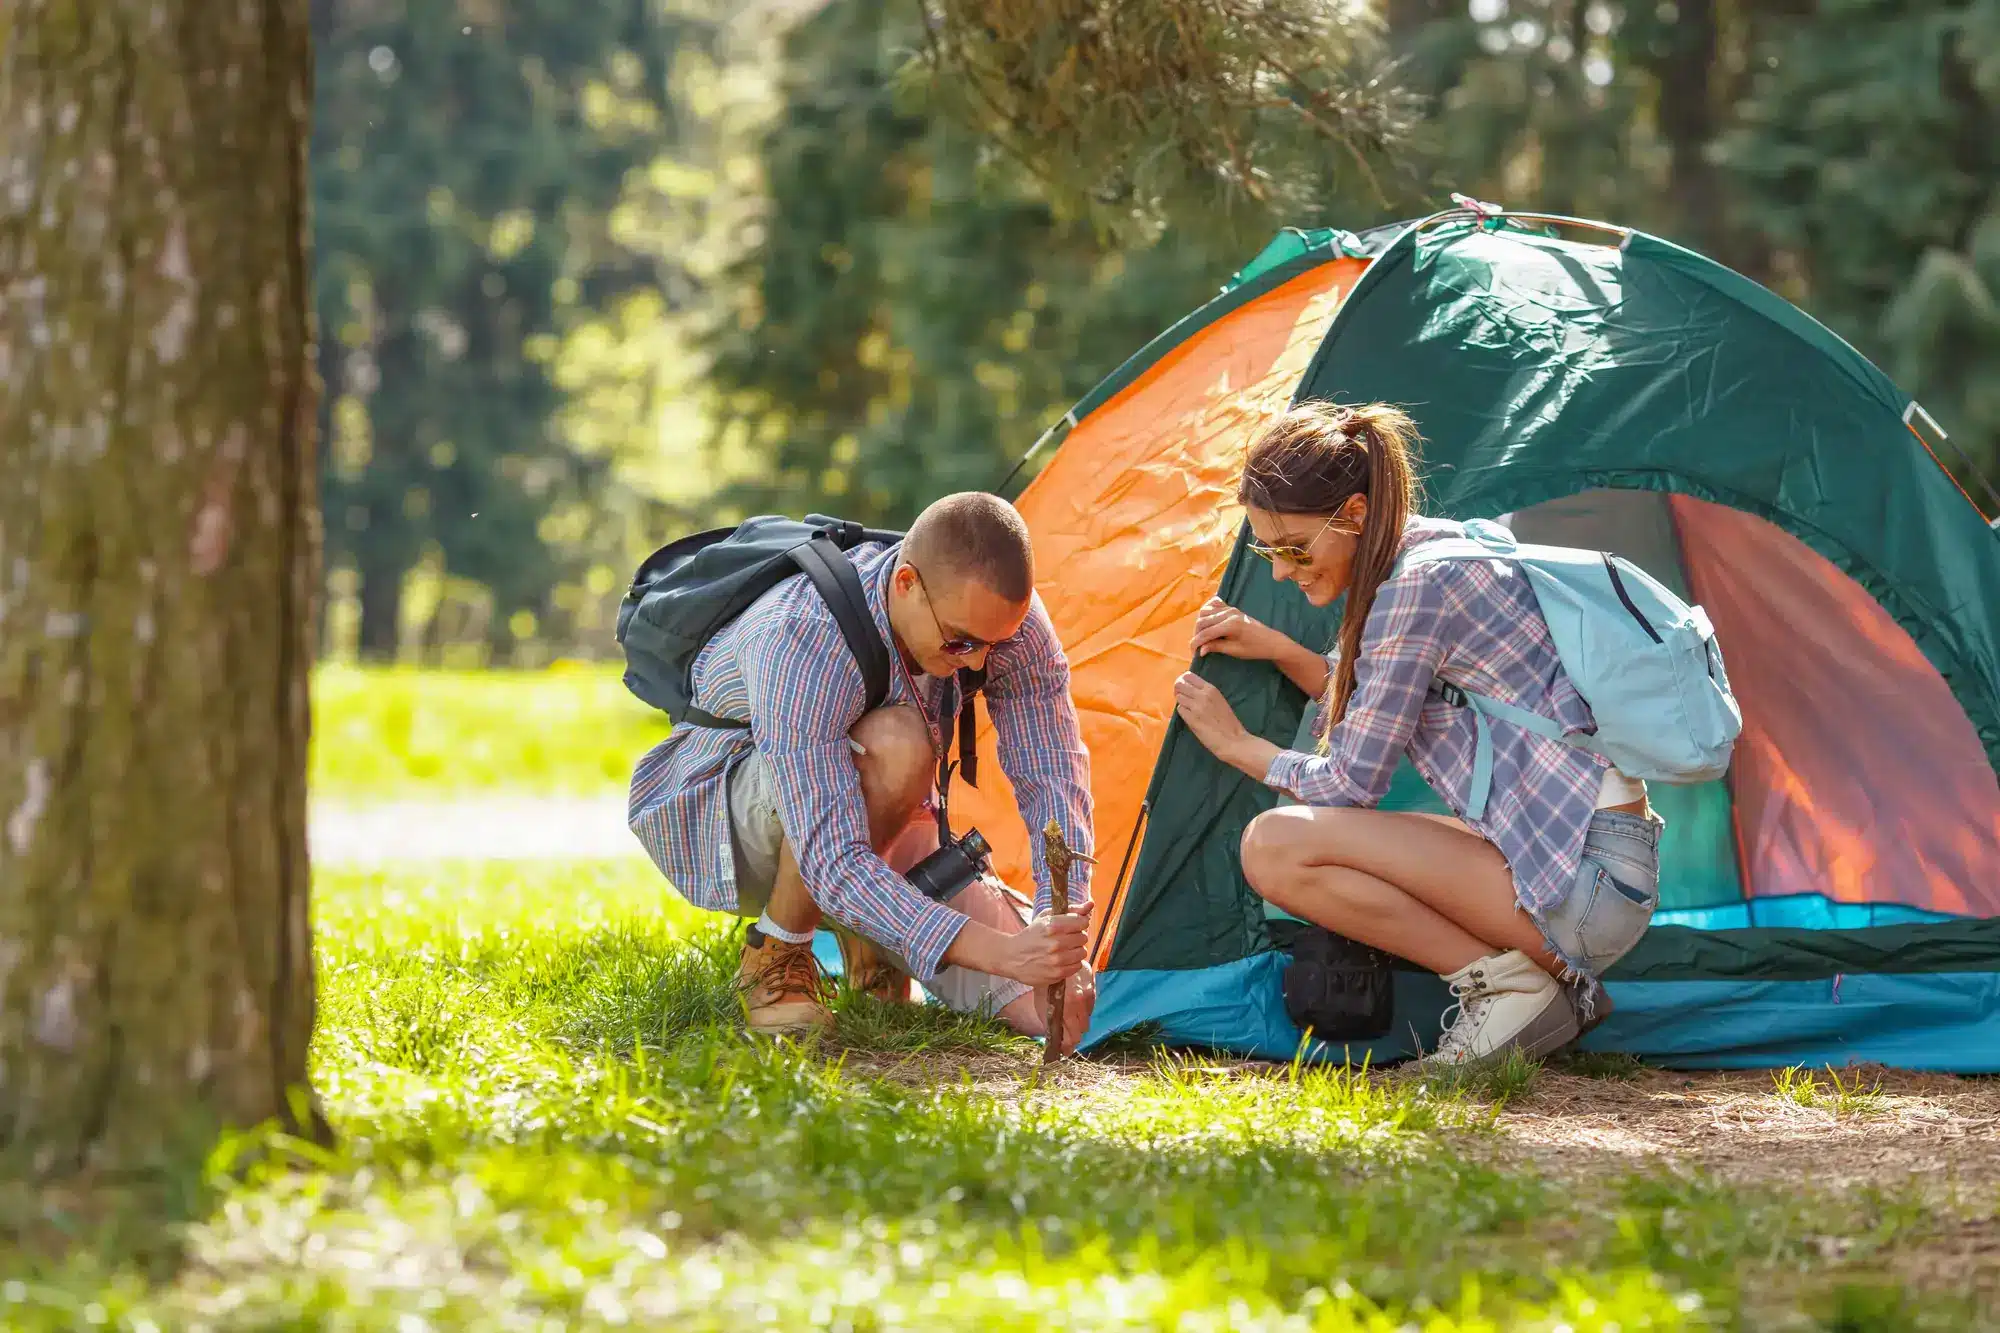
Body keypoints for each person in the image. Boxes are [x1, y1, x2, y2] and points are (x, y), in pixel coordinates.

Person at [1170, 401, 1663, 1069]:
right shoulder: (1434, 549)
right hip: (1601, 865)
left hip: (1588, 885)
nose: (1282, 570)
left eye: (1293, 547)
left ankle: (1510, 989)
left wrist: (1239, 747)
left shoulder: (1414, 590)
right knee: (1367, 835)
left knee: (1274, 846)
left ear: (1353, 514)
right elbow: (1382, 701)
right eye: (1268, 549)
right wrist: (1282, 650)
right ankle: (1557, 988)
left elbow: (1353, 779)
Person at [629, 492, 1097, 1053]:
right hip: (730, 816)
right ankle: (775, 958)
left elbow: (1053, 774)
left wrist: (1058, 924)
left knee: (1054, 1012)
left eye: (992, 645)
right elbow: (831, 859)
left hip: (878, 821)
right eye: (961, 642)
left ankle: (871, 944)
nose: (976, 662)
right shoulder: (801, 633)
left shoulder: (1001, 623)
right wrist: (1004, 953)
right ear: (906, 584)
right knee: (899, 746)